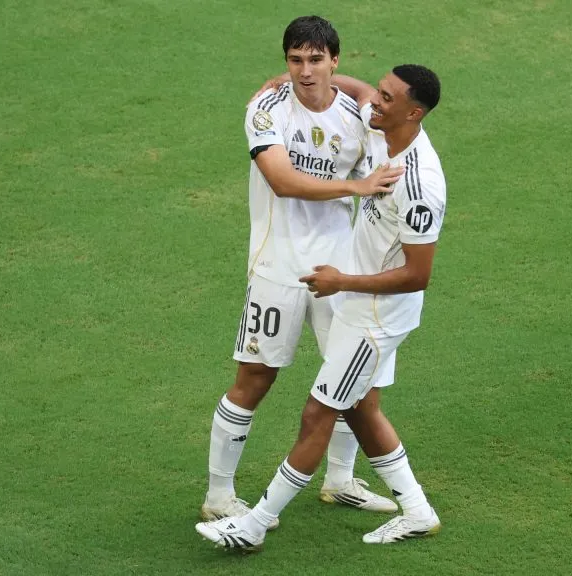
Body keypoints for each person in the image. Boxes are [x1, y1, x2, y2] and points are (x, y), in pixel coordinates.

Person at [196, 64, 447, 550]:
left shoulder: (419, 185)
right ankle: (416, 510)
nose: (372, 100)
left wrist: (341, 280)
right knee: (359, 408)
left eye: (387, 98)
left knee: (318, 414)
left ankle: (251, 528)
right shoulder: (385, 133)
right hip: (355, 303)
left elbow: (419, 276)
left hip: (374, 318)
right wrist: (289, 79)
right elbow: (356, 89)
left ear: (414, 112)